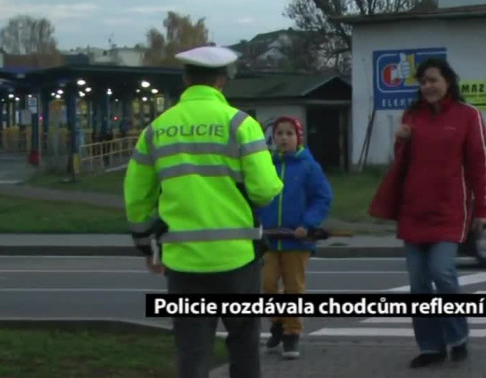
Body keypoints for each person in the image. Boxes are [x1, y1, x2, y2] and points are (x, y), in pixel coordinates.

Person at [123, 45, 284, 378]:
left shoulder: (156, 129)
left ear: (186, 79)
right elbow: (265, 189)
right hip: (238, 258)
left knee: (192, 351)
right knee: (243, 345)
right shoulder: (241, 124)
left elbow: (136, 196)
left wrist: (144, 245)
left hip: (183, 263)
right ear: (221, 81)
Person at [390, 57, 486, 368]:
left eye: (433, 80)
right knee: (419, 285)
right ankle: (430, 347)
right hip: (414, 210)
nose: (428, 86)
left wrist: (483, 208)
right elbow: (402, 164)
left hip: (450, 210)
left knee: (441, 273)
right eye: (423, 82)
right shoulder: (412, 116)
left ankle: (457, 337)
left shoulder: (468, 115)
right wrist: (400, 140)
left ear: (448, 81)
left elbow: (481, 164)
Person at [258, 116, 333, 359]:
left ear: (298, 138)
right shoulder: (266, 165)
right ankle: (277, 323)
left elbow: (322, 197)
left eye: (289, 133)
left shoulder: (309, 167)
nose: (284, 138)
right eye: (279, 133)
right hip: (268, 239)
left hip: (297, 240)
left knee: (293, 288)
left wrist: (308, 224)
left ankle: (292, 333)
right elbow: (256, 196)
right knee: (268, 284)